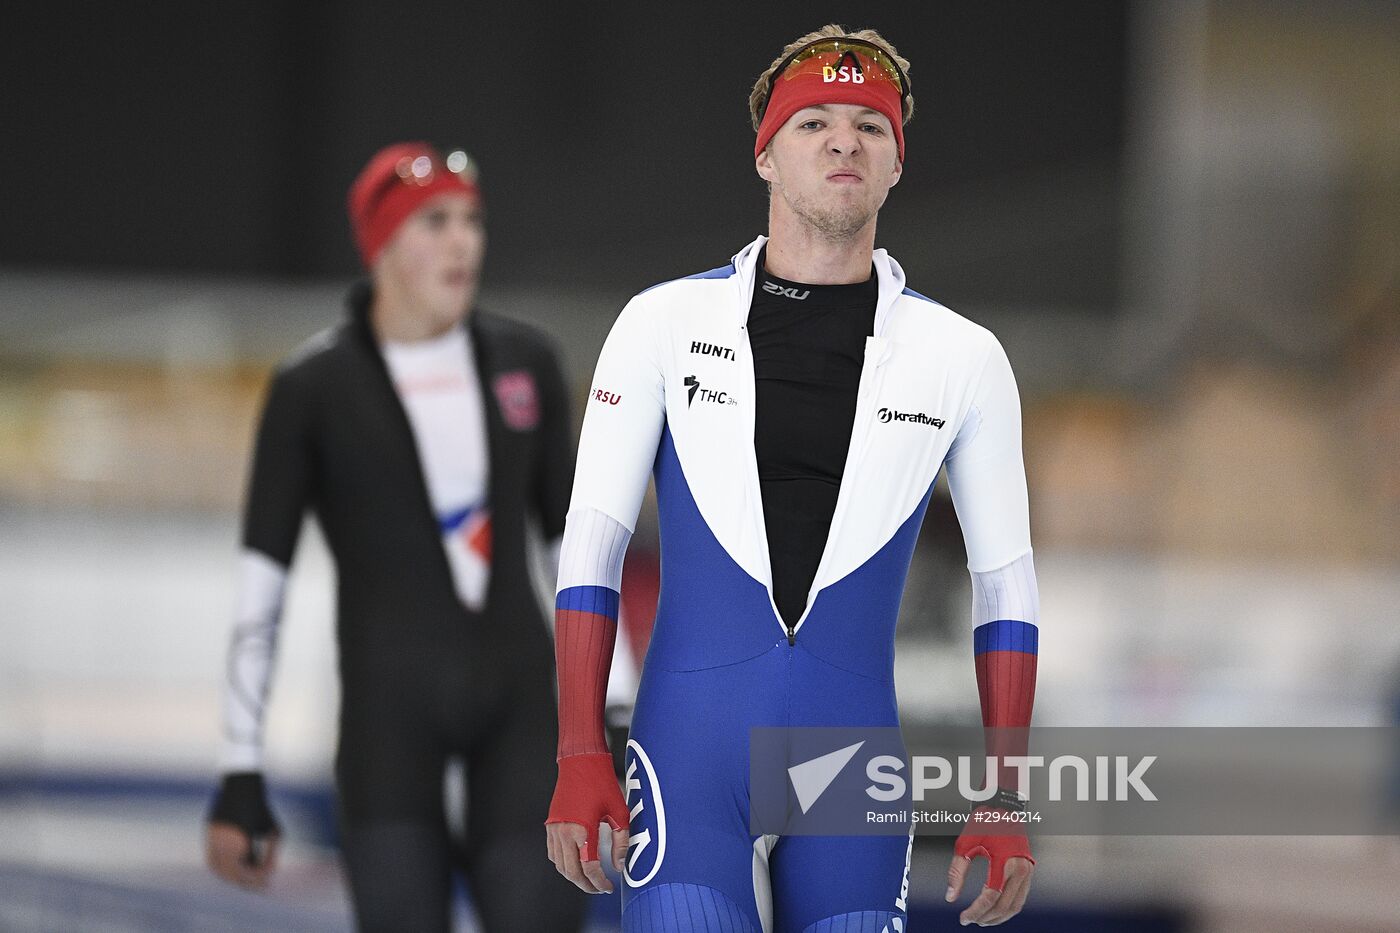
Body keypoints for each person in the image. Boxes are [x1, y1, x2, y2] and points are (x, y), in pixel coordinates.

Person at [544, 26, 1040, 931]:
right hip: (688, 758)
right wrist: (580, 752)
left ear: (896, 165)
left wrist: (1004, 794)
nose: (844, 141)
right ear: (766, 155)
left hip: (851, 765)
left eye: (869, 126)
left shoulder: (963, 358)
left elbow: (1004, 583)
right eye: (813, 122)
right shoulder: (660, 322)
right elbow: (592, 544)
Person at [205, 141, 589, 933]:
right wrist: (241, 766)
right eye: (434, 222)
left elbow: (573, 549)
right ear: (380, 243)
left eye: (473, 221)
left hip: (521, 709)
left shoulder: (527, 362)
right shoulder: (312, 389)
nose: (463, 242)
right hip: (389, 723)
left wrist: (607, 705)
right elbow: (261, 584)